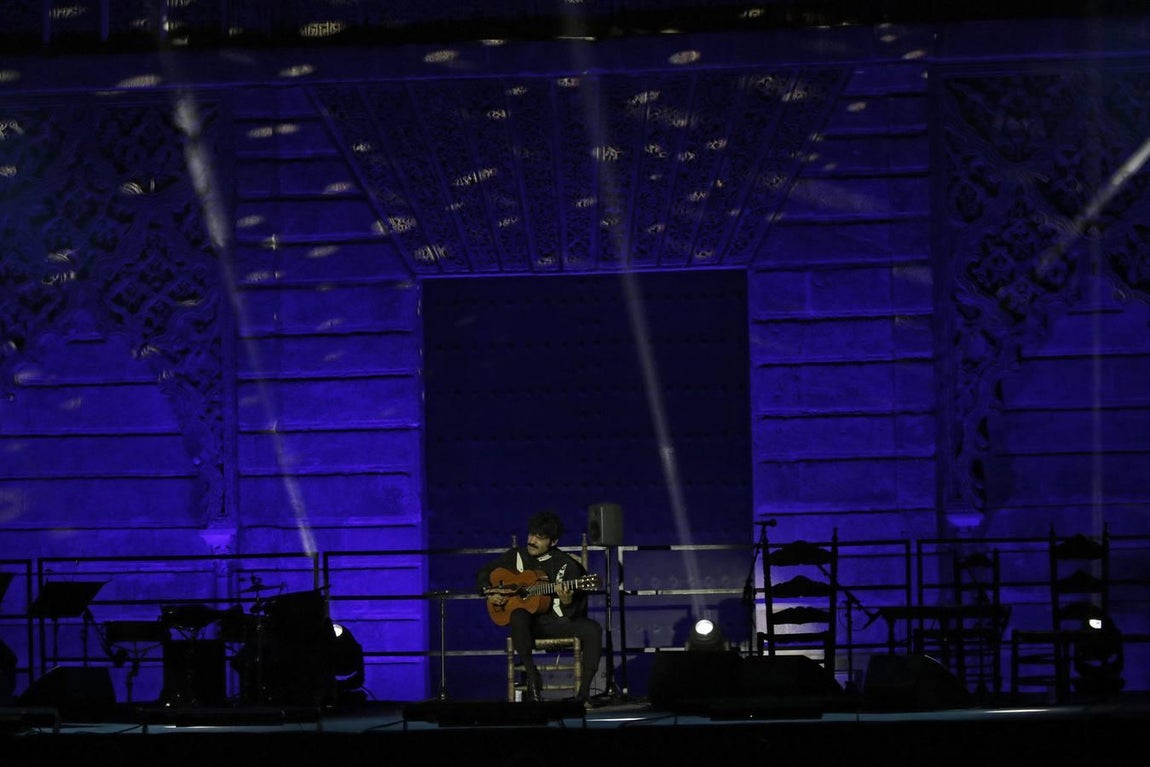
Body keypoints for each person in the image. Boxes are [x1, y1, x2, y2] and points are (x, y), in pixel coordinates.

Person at [477, 509, 602, 705]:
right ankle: (532, 676)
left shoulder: (567, 565)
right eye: (532, 534)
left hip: (557, 622)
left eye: (540, 537)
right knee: (518, 614)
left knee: (593, 629)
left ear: (553, 542)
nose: (532, 540)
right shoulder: (516, 555)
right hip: (527, 627)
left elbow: (578, 610)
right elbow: (484, 573)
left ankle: (583, 693)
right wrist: (489, 592)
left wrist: (567, 601)